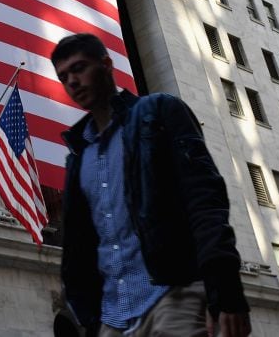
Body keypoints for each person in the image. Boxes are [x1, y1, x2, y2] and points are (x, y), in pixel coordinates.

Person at [51, 33, 251, 337]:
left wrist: (224, 290)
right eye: (64, 76)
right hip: (112, 317)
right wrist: (88, 316)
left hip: (172, 297)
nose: (72, 82)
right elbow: (81, 246)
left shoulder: (158, 112)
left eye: (79, 68)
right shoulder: (78, 156)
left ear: (106, 65)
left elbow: (205, 199)